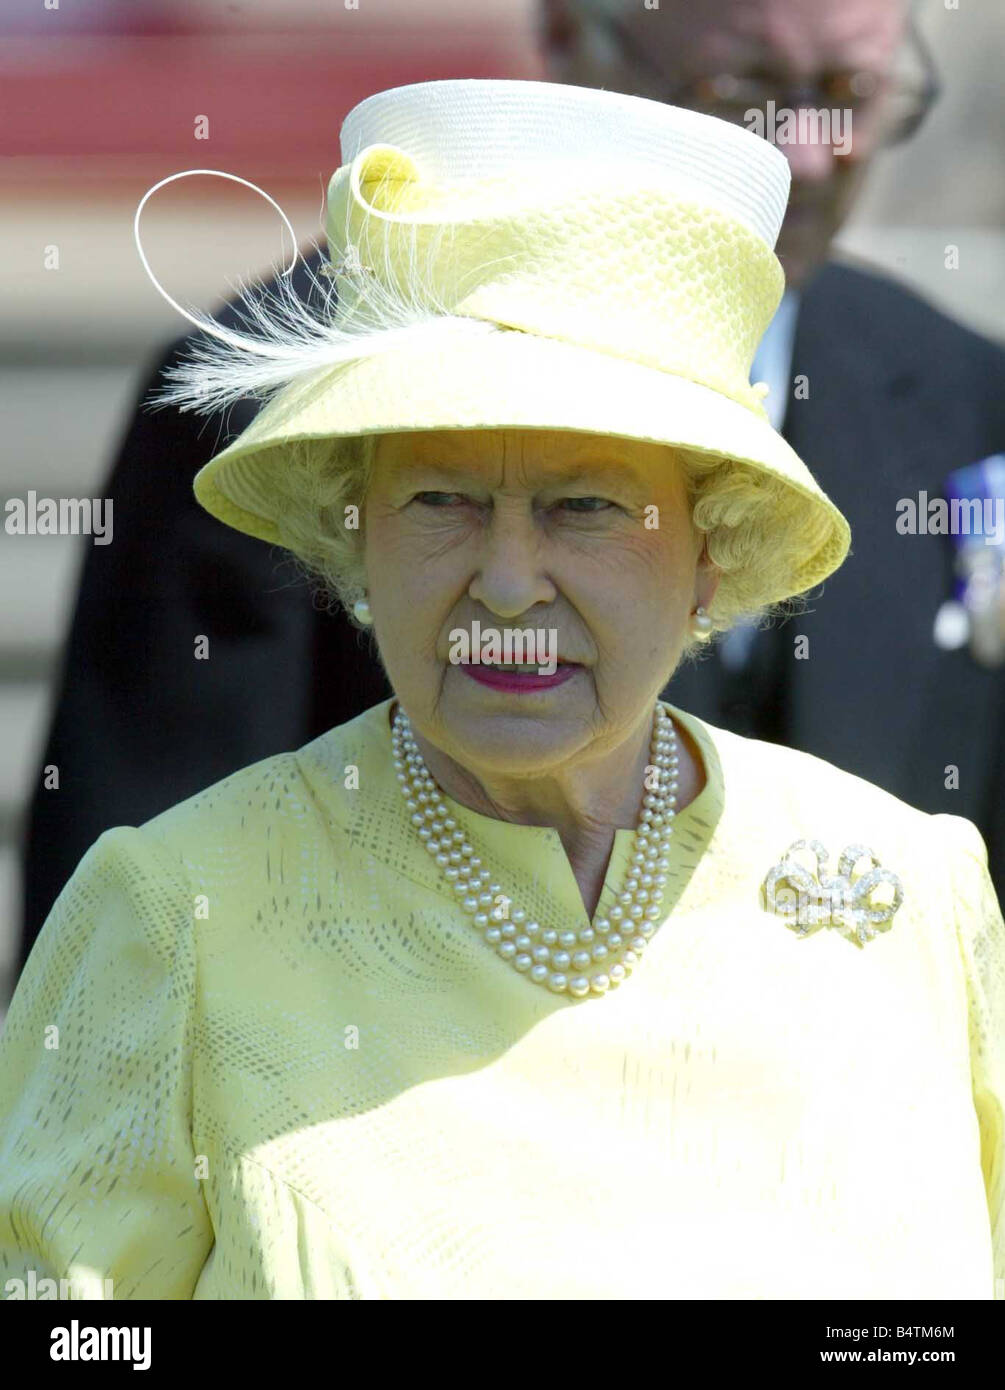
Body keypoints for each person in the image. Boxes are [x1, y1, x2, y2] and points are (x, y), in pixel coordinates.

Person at [1, 79, 1001, 1300]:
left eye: (585, 504)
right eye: (443, 500)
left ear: (713, 550)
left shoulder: (910, 896)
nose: (510, 581)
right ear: (353, 538)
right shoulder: (175, 919)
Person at [15, 0, 1003, 988]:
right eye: (742, 93)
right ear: (572, 39)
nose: (809, 156)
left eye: (848, 97)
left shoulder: (965, 393)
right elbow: (128, 968)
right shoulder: (286, 392)